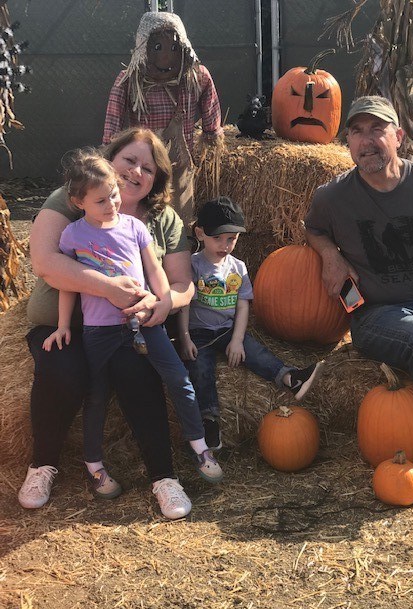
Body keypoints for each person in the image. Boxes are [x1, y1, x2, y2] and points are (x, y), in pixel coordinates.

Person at [18, 127, 199, 520]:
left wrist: (163, 301)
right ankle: (42, 465)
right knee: (64, 370)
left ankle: (164, 478)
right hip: (63, 323)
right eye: (129, 161)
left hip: (127, 326)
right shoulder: (75, 201)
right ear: (110, 160)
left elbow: (182, 284)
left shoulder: (161, 220)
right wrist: (107, 288)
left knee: (141, 375)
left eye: (148, 168)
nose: (136, 172)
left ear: (158, 178)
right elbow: (44, 262)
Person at [304, 95, 413, 490]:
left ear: (399, 137)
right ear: (346, 143)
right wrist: (329, 253)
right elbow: (312, 229)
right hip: (376, 317)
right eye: (357, 132)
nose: (367, 141)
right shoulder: (332, 197)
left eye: (377, 130)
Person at [41, 149, 223, 498]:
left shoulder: (135, 227)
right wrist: (64, 325)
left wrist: (162, 302)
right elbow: (68, 284)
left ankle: (199, 446)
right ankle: (94, 466)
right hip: (99, 330)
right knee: (96, 395)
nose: (111, 203)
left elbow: (155, 270)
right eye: (100, 200)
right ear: (79, 202)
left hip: (144, 324)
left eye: (113, 194)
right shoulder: (73, 236)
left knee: (178, 377)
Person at [178, 196, 323, 449]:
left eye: (231, 239)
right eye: (218, 238)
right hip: (198, 332)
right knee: (200, 370)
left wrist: (236, 340)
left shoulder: (238, 267)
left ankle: (290, 377)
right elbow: (184, 303)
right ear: (200, 233)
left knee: (255, 351)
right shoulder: (192, 265)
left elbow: (243, 304)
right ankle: (209, 421)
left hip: (226, 330)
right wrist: (185, 337)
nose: (225, 245)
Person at [103, 11, 223, 225]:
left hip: (180, 163)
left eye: (174, 49)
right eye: (157, 48)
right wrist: (109, 150)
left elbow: (210, 101)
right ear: (144, 48)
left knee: (179, 219)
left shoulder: (196, 77)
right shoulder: (130, 80)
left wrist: (211, 131)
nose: (166, 57)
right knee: (141, 214)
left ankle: (179, 246)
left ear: (184, 49)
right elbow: (113, 117)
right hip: (142, 164)